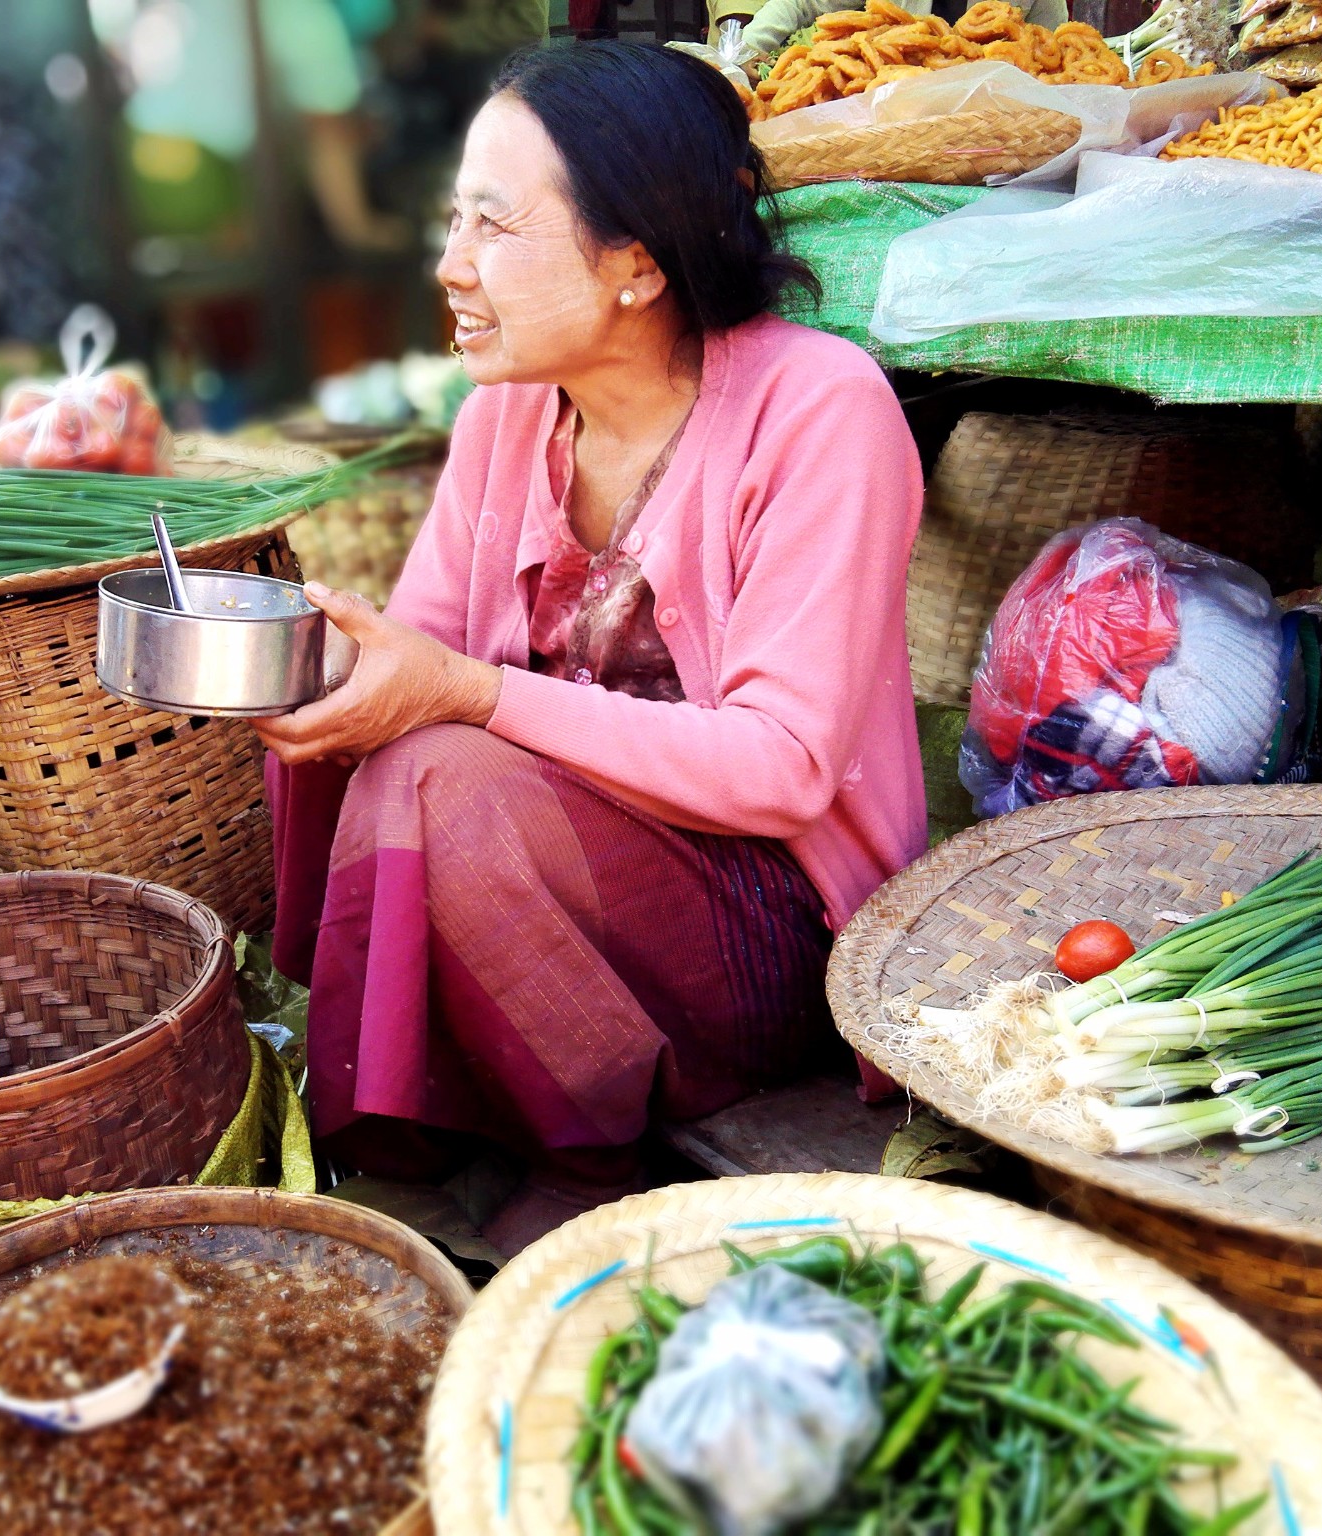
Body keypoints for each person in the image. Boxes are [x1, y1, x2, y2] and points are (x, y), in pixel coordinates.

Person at [257, 40, 926, 1253]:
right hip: (567, 873)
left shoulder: (818, 409)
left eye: (494, 227)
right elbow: (425, 656)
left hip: (770, 923)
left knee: (437, 777)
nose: (451, 267)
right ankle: (429, 1110)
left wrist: (463, 692)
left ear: (634, 262)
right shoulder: (506, 414)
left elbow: (780, 768)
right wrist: (325, 666)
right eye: (454, 222)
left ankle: (588, 1149)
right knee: (329, 722)